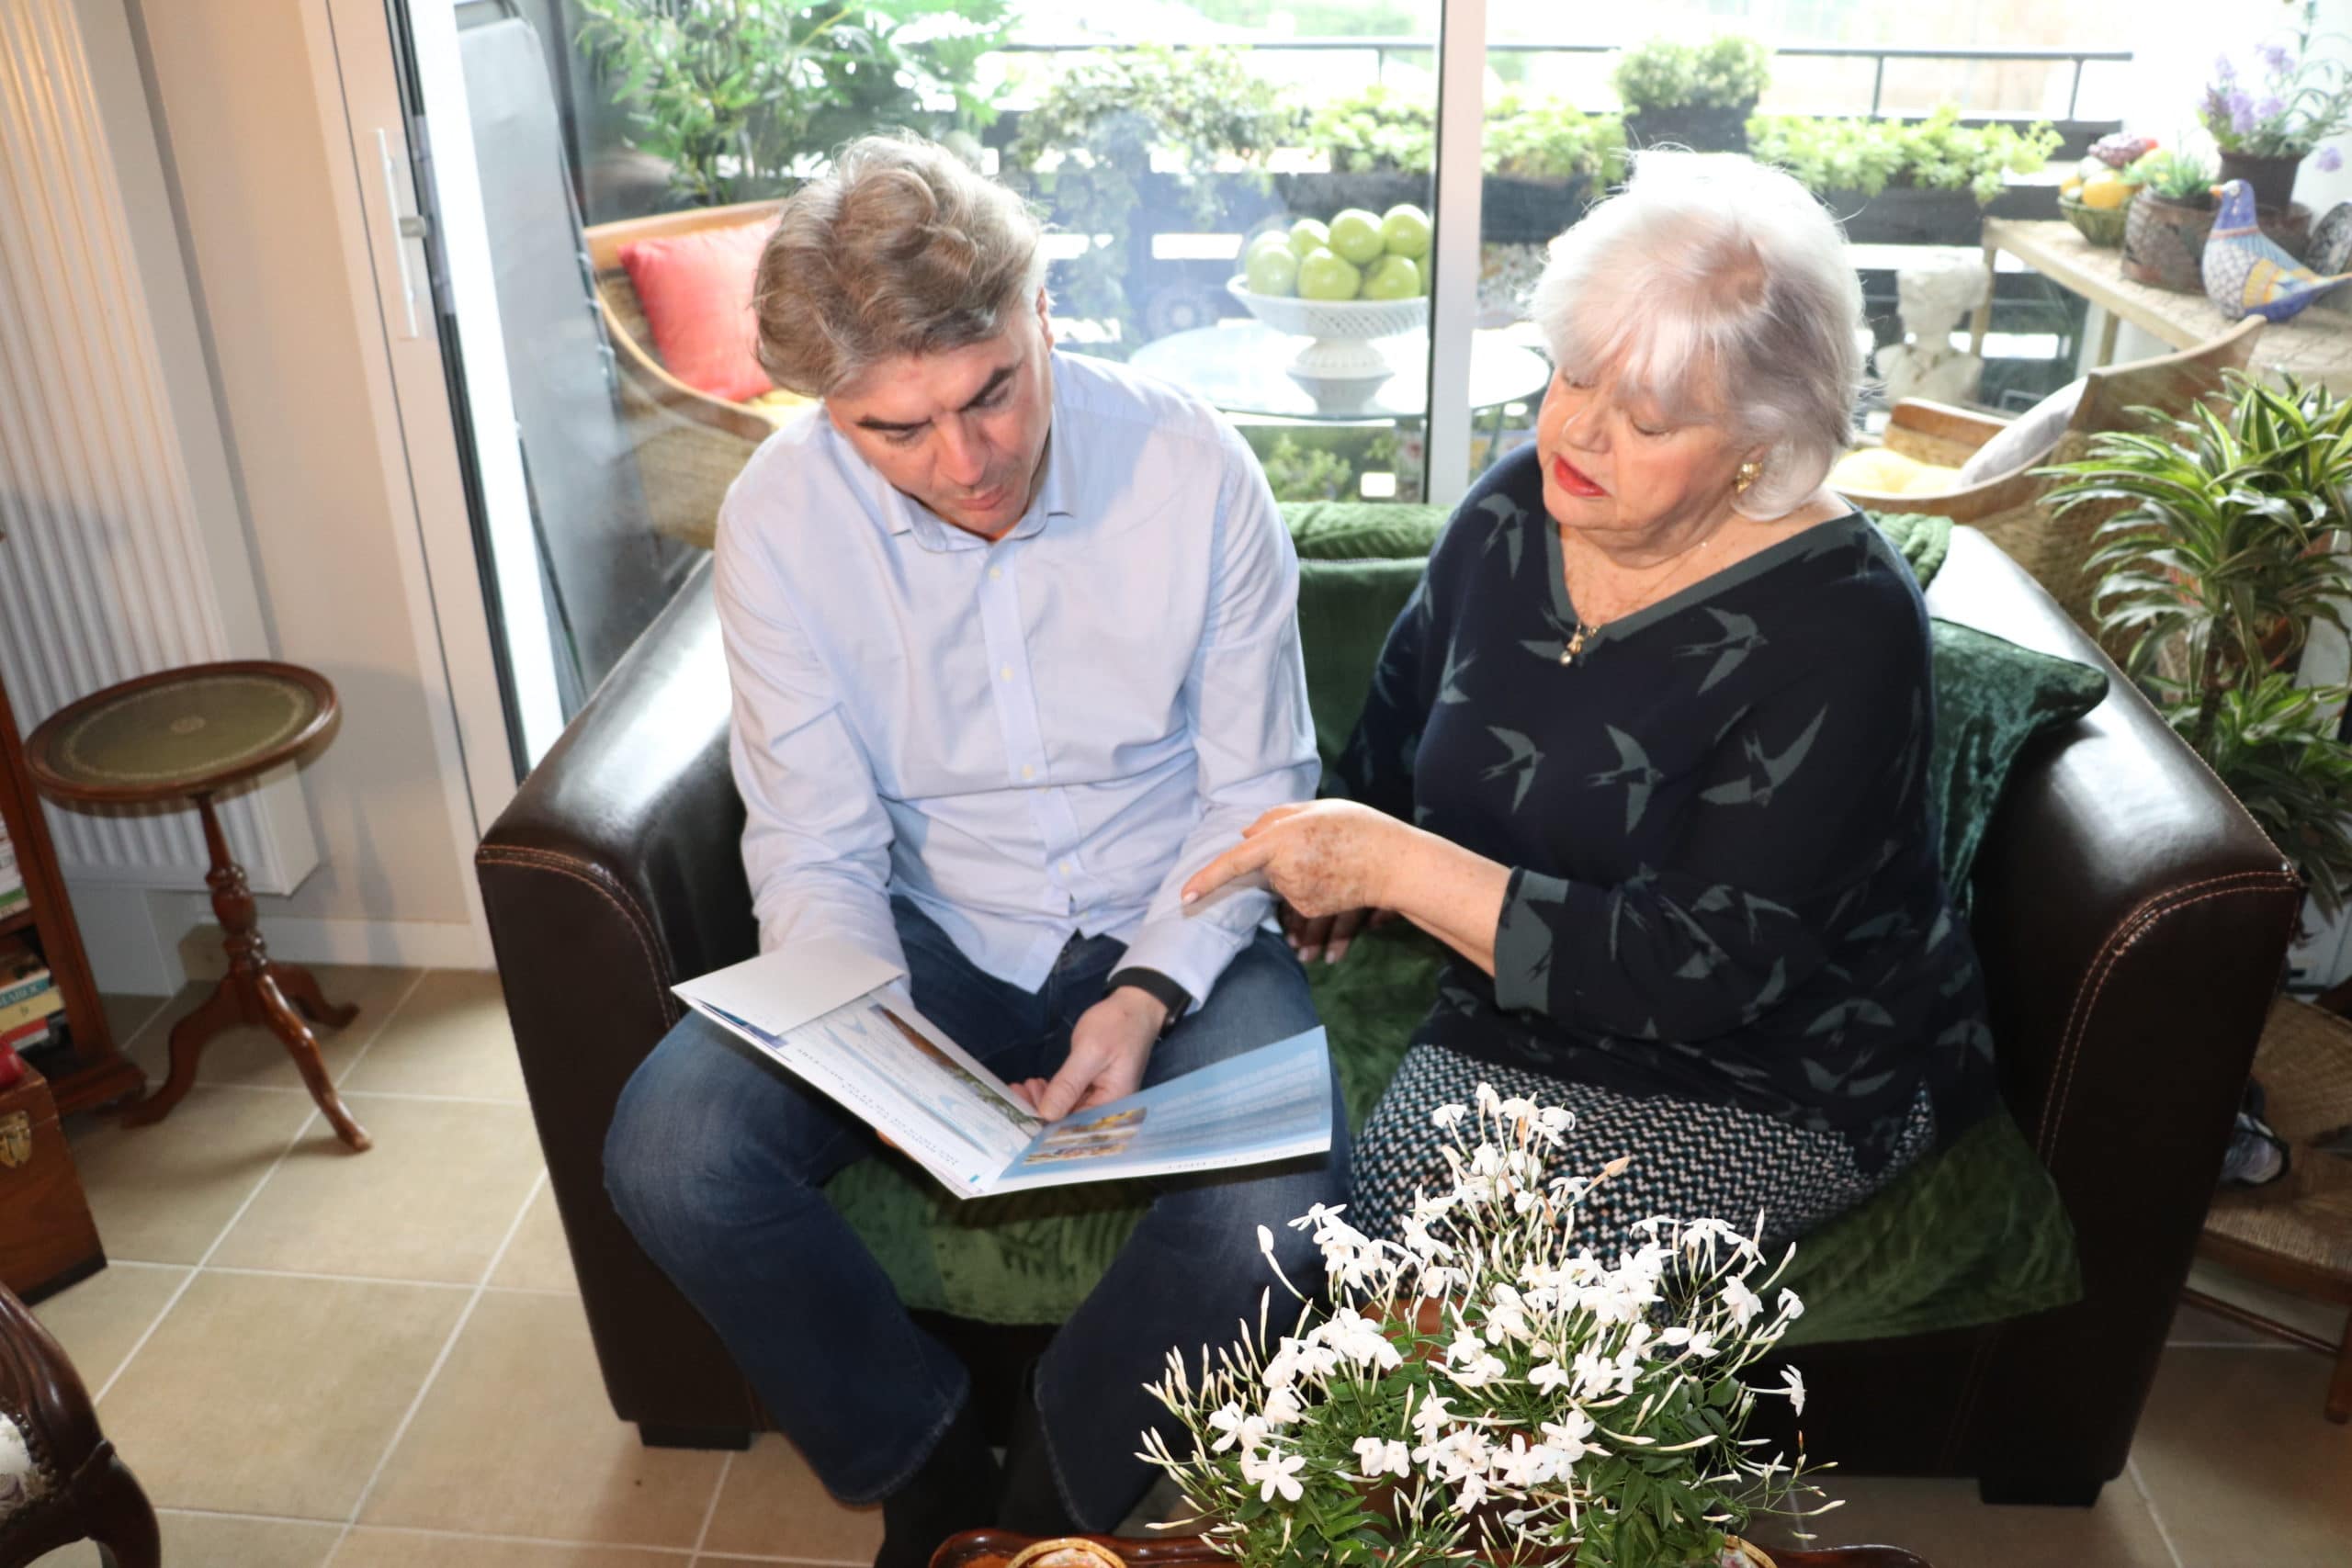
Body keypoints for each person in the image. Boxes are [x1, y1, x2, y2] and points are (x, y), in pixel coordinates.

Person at [602, 135, 1348, 1568]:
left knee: (1278, 1210)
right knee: (670, 1151)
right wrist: (874, 1040)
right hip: (927, 920)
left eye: (993, 390)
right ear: (828, 410)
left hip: (1173, 899)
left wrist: (1146, 993)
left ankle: (1045, 1500)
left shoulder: (1194, 465)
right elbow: (814, 834)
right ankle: (927, 1464)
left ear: (1042, 315)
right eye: (898, 431)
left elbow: (1254, 786)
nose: (967, 460)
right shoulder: (776, 517)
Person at [1185, 151, 1994, 1252]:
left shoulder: (1844, 622)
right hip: (1513, 1011)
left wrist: (1394, 867)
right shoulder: (1514, 509)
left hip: (1774, 1066)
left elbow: (1699, 974)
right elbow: (1384, 759)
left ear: (1761, 442)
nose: (1575, 434)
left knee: (1426, 1279)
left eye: (1650, 421)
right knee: (1343, 1245)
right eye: (1571, 375)